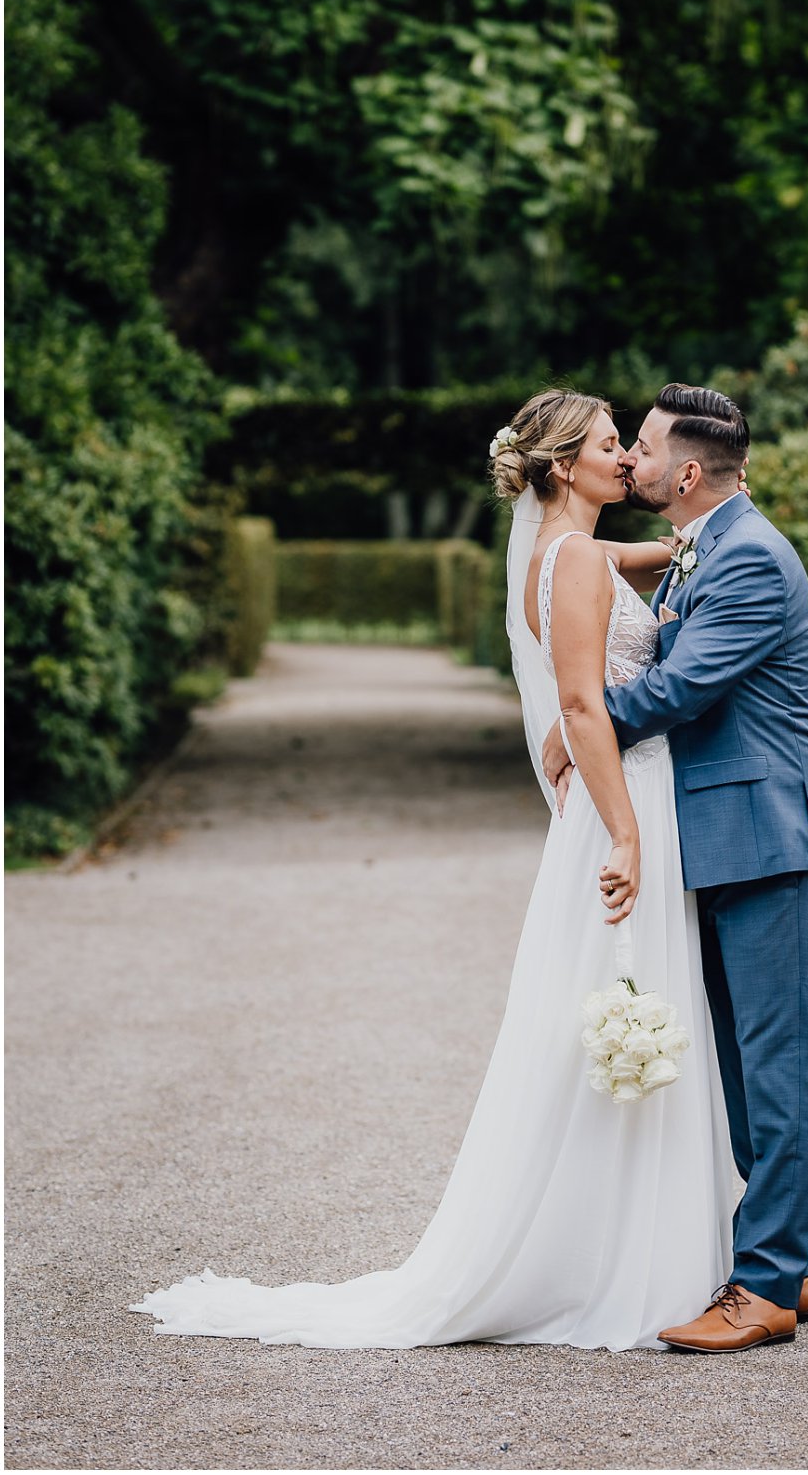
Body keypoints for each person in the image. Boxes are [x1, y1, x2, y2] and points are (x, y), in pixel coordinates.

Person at [130, 389, 735, 1352]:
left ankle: (635, 1238)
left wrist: (701, 535)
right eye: (611, 445)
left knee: (620, 1011)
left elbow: (633, 560)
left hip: (627, 797)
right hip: (628, 805)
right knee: (630, 1007)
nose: (626, 459)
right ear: (558, 469)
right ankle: (614, 1257)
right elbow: (582, 708)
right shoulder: (571, 560)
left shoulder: (570, 554)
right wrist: (623, 834)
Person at [543, 383, 808, 1354]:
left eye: (639, 445)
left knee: (776, 1067)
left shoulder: (752, 557)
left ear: (685, 472)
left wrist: (578, 726)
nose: (628, 458)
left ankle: (762, 1286)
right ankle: (784, 1261)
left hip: (773, 840)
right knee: (739, 1066)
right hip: (722, 841)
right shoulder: (701, 546)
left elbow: (680, 687)